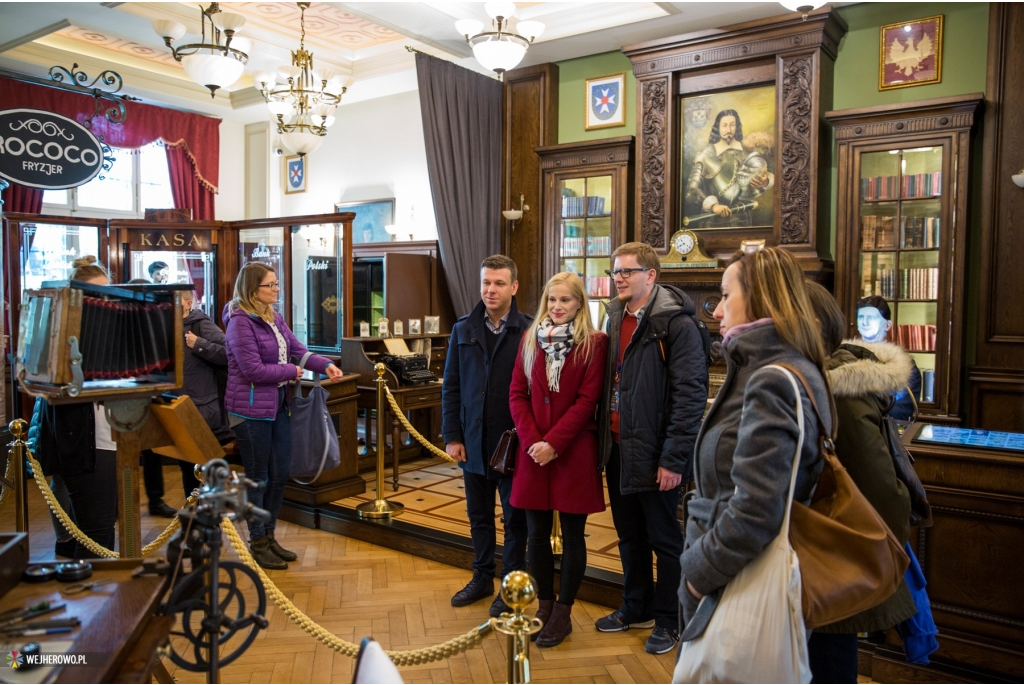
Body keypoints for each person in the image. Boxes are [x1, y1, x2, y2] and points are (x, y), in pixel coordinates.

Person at [679, 247, 831, 648]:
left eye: (726, 296)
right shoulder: (784, 365)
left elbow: (756, 509)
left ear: (760, 297)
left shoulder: (771, 379)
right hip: (736, 572)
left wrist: (696, 575)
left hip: (737, 579)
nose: (716, 311)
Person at [595, 241, 709, 655]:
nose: (619, 278)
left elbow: (690, 396)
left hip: (659, 454)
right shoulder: (613, 318)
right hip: (618, 448)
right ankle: (635, 606)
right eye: (615, 272)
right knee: (629, 536)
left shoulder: (676, 325)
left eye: (627, 271)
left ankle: (669, 619)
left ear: (651, 275)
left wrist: (674, 459)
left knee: (665, 540)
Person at [805, 283, 918, 683]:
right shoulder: (818, 380)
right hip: (824, 555)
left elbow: (881, 489)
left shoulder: (841, 392)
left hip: (832, 555)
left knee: (830, 659)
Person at [509, 272, 608, 647]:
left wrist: (554, 443)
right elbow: (517, 393)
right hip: (533, 451)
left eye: (565, 300)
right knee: (535, 535)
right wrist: (534, 441)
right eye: (552, 300)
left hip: (572, 451)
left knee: (572, 536)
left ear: (580, 303)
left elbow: (588, 401)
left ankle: (563, 612)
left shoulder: (594, 343)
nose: (557, 307)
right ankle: (544, 606)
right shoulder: (529, 339)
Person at [224, 263, 344, 570]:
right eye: (271, 285)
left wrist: (324, 364)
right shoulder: (239, 321)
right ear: (253, 290)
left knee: (279, 475)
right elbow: (253, 370)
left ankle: (270, 536)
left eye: (276, 284)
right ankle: (257, 542)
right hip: (249, 411)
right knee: (257, 478)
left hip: (277, 406)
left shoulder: (273, 316)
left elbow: (296, 349)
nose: (277, 289)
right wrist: (292, 371)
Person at [442, 255, 530, 618]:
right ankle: (481, 577)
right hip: (473, 442)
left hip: (513, 444)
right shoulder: (463, 329)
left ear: (513, 287)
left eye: (498, 283)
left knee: (514, 521)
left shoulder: (529, 330)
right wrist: (452, 435)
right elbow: (452, 386)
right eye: (485, 283)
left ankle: (510, 587)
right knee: (478, 516)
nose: (490, 290)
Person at [28, 256, 118, 558]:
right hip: (80, 436)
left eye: (107, 293)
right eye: (93, 294)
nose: (102, 300)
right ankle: (93, 597)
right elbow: (42, 380)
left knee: (101, 524)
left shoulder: (111, 328)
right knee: (97, 530)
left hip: (108, 435)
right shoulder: (58, 329)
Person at [856, 295, 921, 421]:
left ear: (887, 325)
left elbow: (901, 409)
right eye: (861, 317)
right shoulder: (845, 356)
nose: (865, 322)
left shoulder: (905, 365)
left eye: (871, 318)